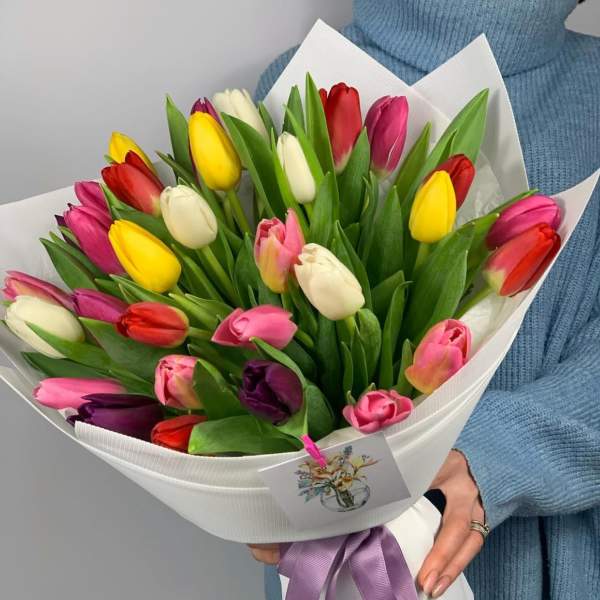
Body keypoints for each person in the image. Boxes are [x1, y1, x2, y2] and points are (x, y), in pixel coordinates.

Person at [250, 1, 600, 599]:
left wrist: (498, 449)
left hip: (556, 552)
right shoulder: (300, 80)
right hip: (341, 553)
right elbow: (264, 340)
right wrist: (257, 483)